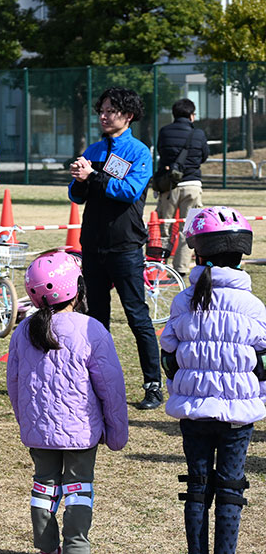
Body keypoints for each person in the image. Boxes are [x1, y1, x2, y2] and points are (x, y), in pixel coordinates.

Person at [160, 206, 266, 554]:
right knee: (231, 488)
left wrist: (182, 388)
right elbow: (264, 363)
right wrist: (258, 398)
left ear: (198, 253)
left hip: (194, 412)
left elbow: (169, 356)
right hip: (238, 416)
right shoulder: (252, 306)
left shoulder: (182, 301)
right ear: (240, 256)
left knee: (197, 486)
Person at [7, 251, 129, 554]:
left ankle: (47, 547)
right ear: (78, 288)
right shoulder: (91, 329)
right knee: (78, 489)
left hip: (40, 432)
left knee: (43, 487)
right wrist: (116, 433)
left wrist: (27, 421)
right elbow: (111, 388)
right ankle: (76, 547)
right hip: (81, 432)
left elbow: (14, 383)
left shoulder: (23, 330)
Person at [69, 86, 162, 410]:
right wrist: (79, 180)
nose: (104, 116)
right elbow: (77, 196)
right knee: (96, 319)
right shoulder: (93, 149)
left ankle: (152, 384)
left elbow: (128, 190)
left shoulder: (138, 152)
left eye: (112, 111)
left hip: (125, 247)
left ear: (129, 115)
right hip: (93, 244)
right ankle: (96, 382)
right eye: (102, 110)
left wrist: (93, 176)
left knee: (138, 317)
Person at [154, 98, 209, 276]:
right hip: (192, 185)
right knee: (189, 228)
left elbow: (162, 153)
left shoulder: (164, 132)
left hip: (169, 186)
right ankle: (181, 269)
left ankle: (160, 266)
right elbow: (204, 156)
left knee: (164, 227)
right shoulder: (198, 134)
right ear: (191, 116)